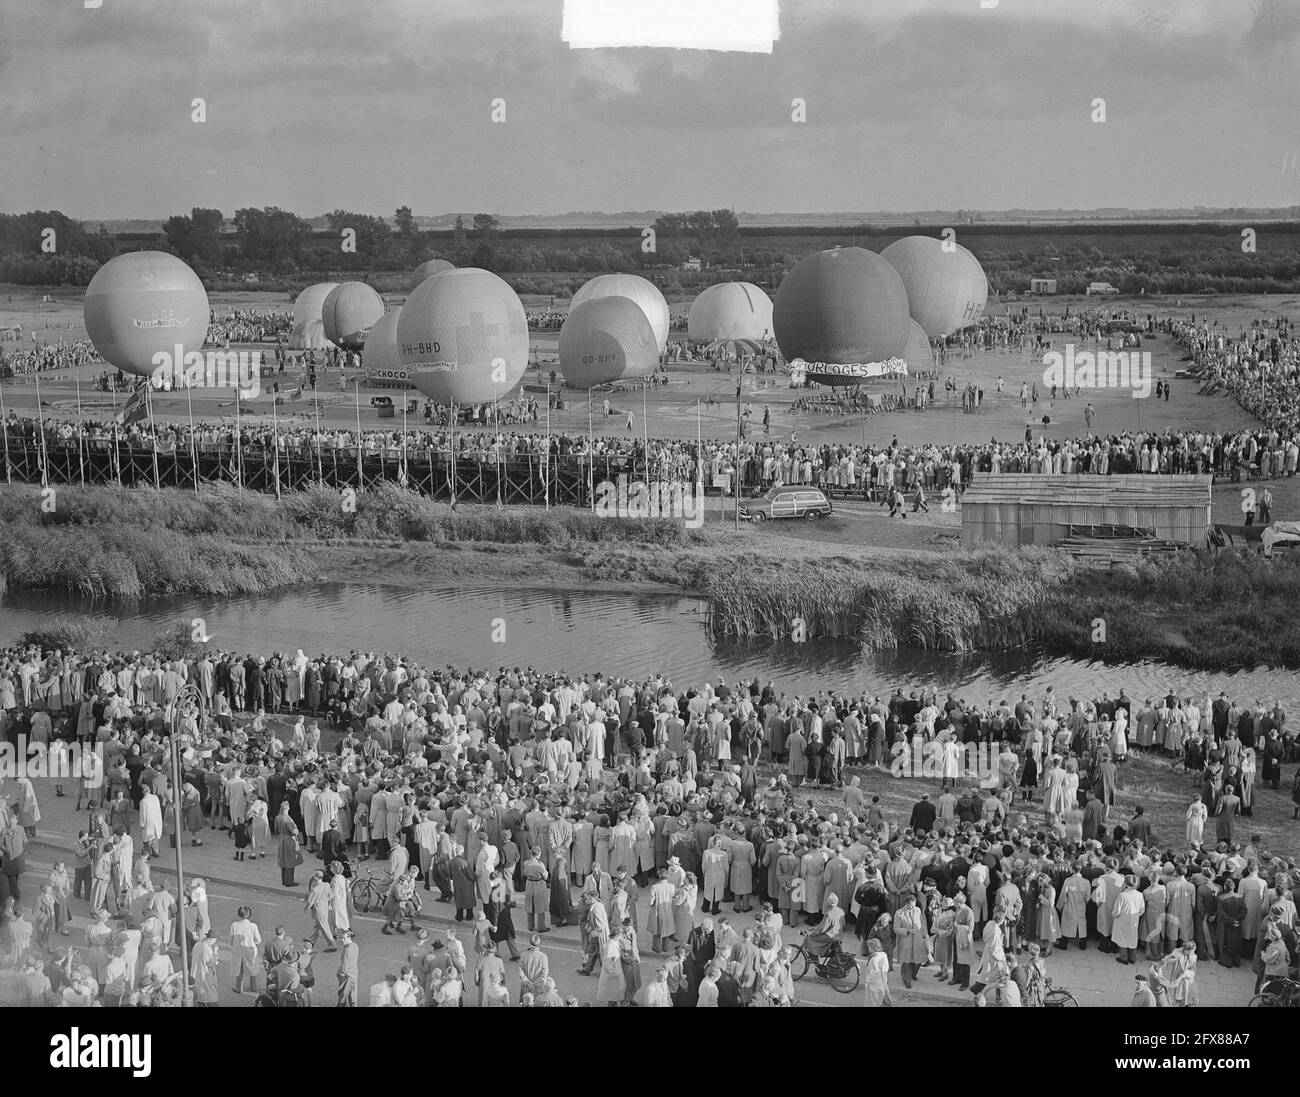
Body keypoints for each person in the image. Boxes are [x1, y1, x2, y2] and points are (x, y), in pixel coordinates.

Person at [862, 936, 892, 1006]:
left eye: (869, 947)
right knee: (881, 1000)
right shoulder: (884, 955)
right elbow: (885, 969)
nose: (868, 949)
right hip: (883, 982)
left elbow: (874, 973)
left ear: (873, 948)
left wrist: (868, 982)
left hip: (875, 985)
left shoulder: (874, 959)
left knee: (873, 1002)